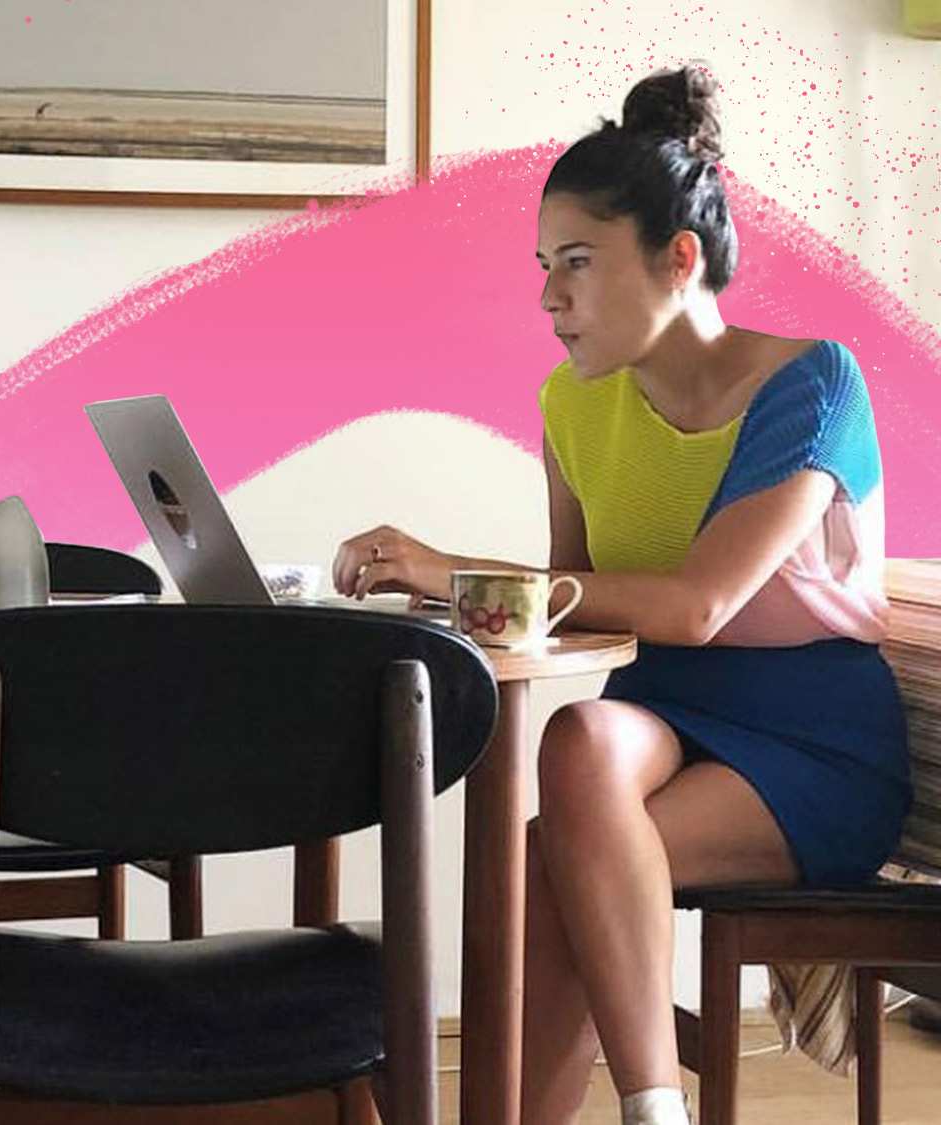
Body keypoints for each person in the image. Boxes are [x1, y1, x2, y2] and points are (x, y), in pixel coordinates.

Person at [330, 66, 910, 1125]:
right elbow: (584, 600)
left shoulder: (812, 385)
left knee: (549, 859)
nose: (549, 297)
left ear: (678, 259)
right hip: (661, 712)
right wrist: (446, 596)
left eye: (578, 263)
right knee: (579, 741)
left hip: (814, 740)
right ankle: (643, 1108)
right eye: (544, 266)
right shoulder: (572, 402)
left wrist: (447, 566)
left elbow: (697, 606)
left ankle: (641, 1111)